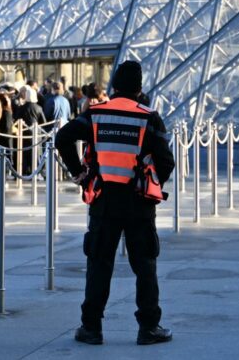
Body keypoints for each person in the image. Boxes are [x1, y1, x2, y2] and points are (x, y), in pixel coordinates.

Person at [54, 60, 175, 346]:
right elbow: (166, 161)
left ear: (115, 86)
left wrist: (79, 173)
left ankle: (91, 327)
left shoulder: (96, 113)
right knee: (145, 265)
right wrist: (152, 183)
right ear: (139, 87)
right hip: (138, 203)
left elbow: (62, 138)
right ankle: (148, 327)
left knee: (99, 265)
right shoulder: (149, 117)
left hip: (103, 201)